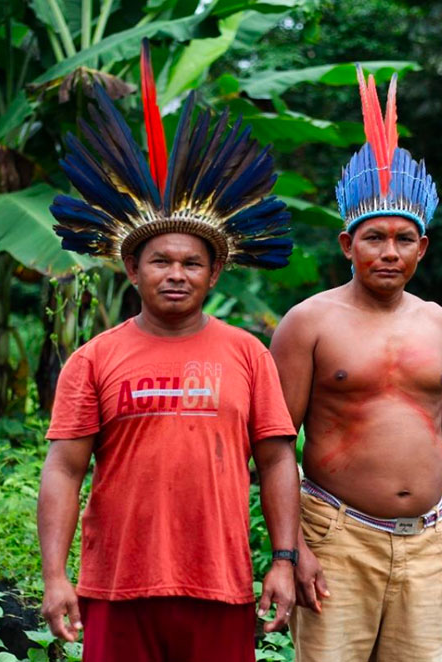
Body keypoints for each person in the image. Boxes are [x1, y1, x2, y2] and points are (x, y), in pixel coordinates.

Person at [37, 40, 300, 662]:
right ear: (132, 267)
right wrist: (54, 577)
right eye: (160, 260)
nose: (175, 274)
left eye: (191, 262)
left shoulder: (247, 354)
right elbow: (65, 470)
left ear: (214, 274)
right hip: (117, 589)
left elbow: (277, 462)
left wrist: (282, 560)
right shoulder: (94, 359)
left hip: (223, 586)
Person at [270, 65, 442, 662]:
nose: (388, 252)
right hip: (335, 535)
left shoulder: (439, 324)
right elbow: (273, 444)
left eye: (403, 239)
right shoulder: (308, 323)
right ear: (347, 244)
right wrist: (291, 549)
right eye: (373, 238)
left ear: (422, 246)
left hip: (426, 542)